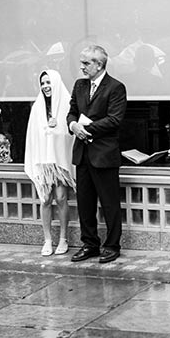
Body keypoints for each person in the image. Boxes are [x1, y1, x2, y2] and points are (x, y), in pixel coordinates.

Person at [67, 45, 127, 264]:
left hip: (104, 154)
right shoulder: (79, 85)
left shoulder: (116, 87)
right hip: (82, 153)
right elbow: (72, 111)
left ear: (99, 64)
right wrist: (73, 125)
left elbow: (114, 119)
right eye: (81, 62)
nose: (81, 67)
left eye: (86, 63)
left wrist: (85, 129)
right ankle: (90, 244)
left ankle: (112, 246)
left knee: (110, 203)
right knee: (85, 203)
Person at [24, 70, 76, 256]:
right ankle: (47, 240)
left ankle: (63, 238)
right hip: (42, 160)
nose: (45, 86)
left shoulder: (66, 104)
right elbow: (33, 135)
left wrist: (57, 127)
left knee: (61, 198)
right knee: (45, 199)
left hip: (59, 161)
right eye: (42, 83)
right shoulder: (37, 107)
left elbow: (70, 134)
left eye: (48, 82)